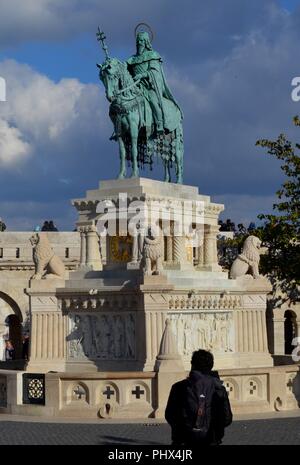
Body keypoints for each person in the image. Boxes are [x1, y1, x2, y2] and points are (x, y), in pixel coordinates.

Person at [165, 349, 232, 446]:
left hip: (184, 441)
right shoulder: (219, 389)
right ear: (211, 366)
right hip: (211, 440)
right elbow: (227, 419)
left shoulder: (178, 387)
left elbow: (170, 415)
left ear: (192, 364)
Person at [127, 31, 182, 135]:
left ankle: (159, 123)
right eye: (137, 41)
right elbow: (124, 70)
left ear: (146, 42)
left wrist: (142, 75)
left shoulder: (153, 55)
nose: (139, 43)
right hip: (135, 87)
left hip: (148, 86)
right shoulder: (131, 59)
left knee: (153, 100)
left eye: (141, 41)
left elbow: (154, 72)